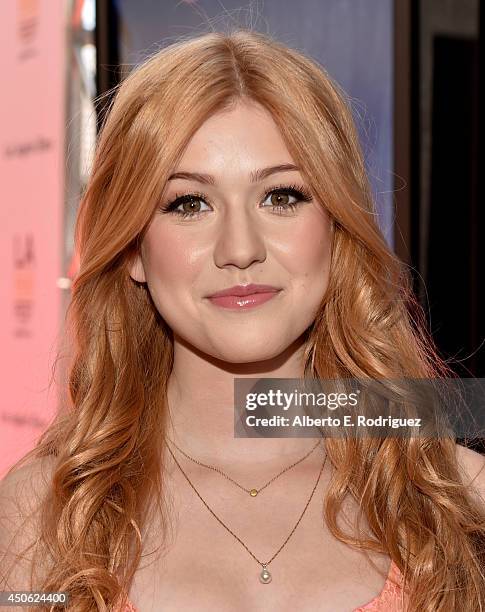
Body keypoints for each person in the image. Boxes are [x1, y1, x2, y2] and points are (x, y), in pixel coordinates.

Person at [1, 29, 485, 612]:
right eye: (189, 203)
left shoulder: (453, 498)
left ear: (336, 226)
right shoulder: (45, 514)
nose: (239, 248)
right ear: (132, 250)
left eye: (282, 196)